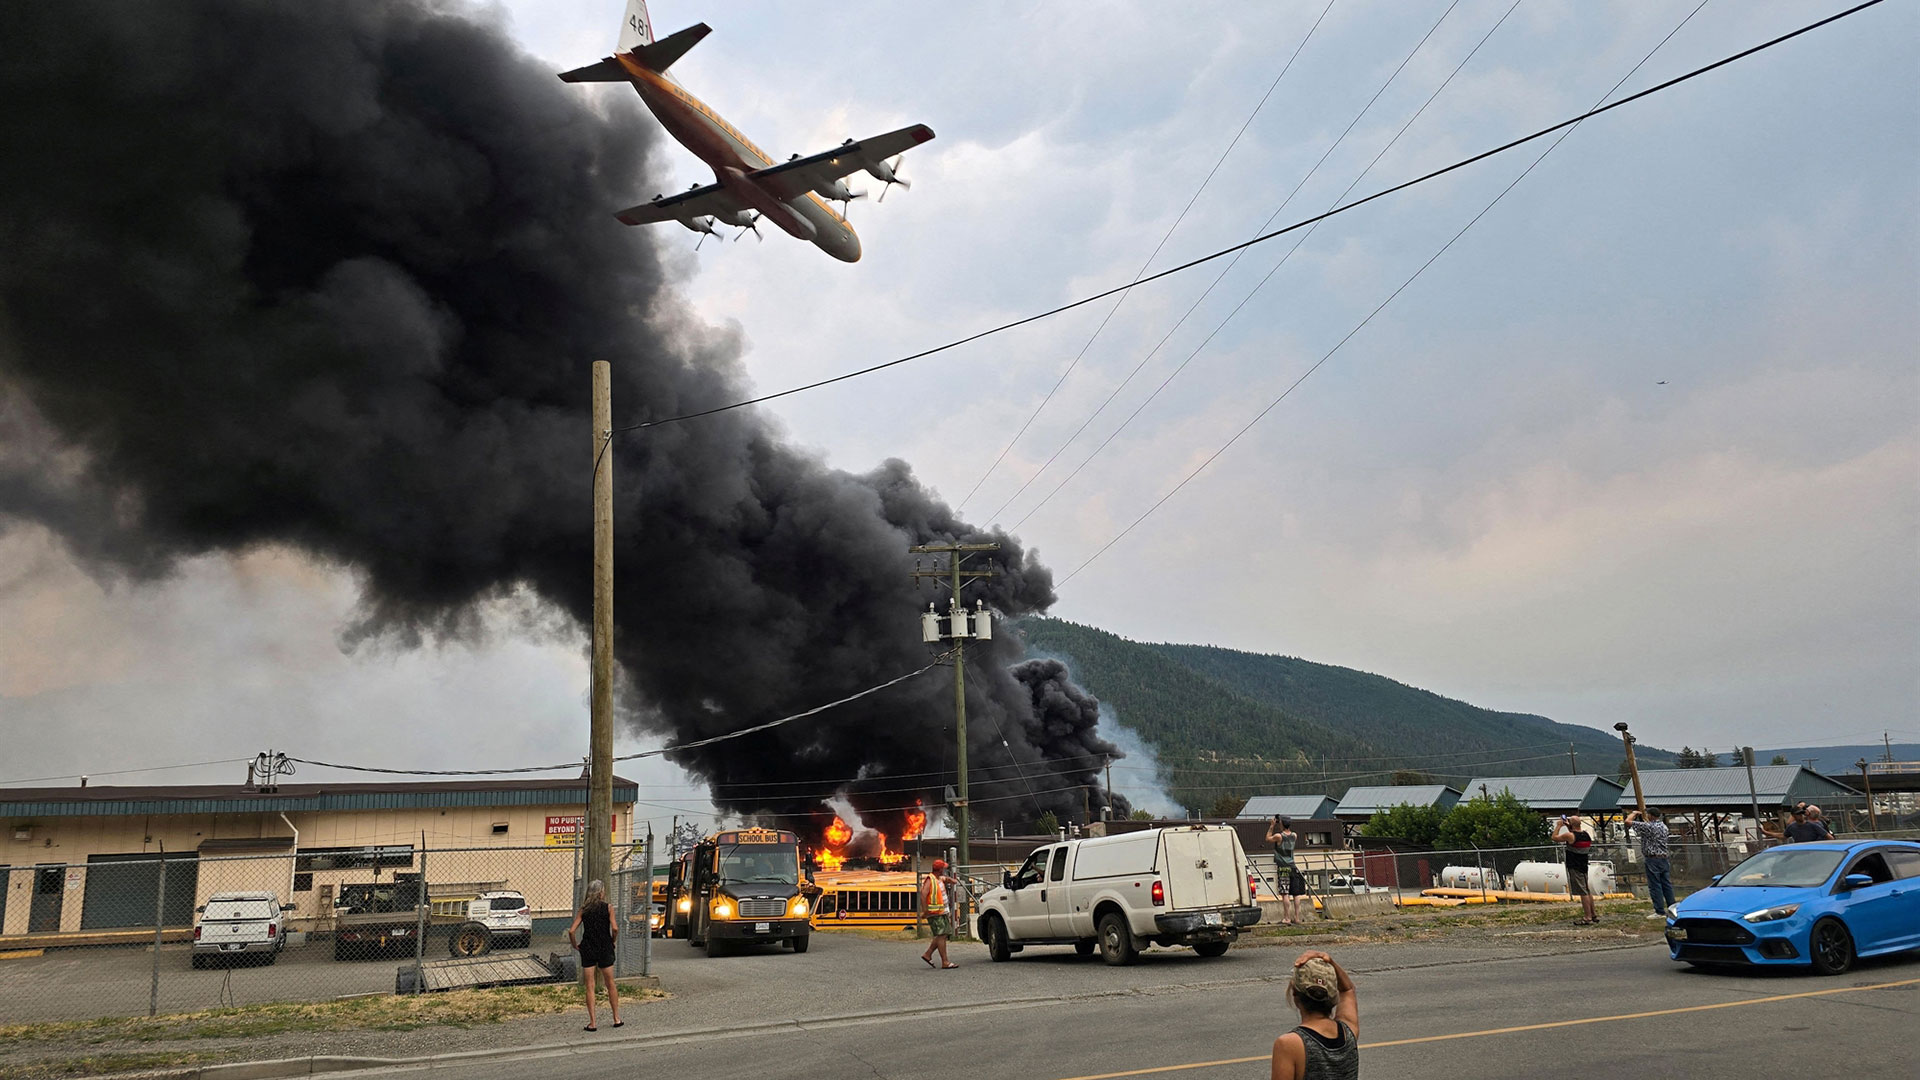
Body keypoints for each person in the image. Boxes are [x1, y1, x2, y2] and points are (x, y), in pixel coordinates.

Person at [1270, 950, 1358, 1080]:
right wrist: (1329, 961)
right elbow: (1348, 989)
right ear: (1333, 996)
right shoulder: (1348, 1031)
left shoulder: (1289, 1045)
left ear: (1295, 994)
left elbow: (1347, 990)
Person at [566, 879, 621, 1031]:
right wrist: (613, 941)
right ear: (601, 892)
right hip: (604, 946)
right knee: (610, 983)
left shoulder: (584, 909)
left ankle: (593, 1022)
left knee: (590, 985)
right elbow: (615, 928)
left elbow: (571, 930)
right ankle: (616, 1018)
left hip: (588, 947)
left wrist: (574, 944)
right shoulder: (608, 908)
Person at [1624, 807, 1674, 919]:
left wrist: (1634, 813)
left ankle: (1659, 911)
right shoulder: (1664, 827)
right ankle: (1672, 908)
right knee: (1666, 885)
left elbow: (1627, 822)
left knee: (1655, 885)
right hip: (1664, 857)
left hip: (1652, 859)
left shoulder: (1649, 826)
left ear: (1650, 815)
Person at [1553, 813, 1598, 925]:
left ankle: (1587, 917)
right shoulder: (1586, 835)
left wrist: (1559, 826)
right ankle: (1593, 914)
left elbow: (1554, 838)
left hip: (1574, 866)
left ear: (1572, 824)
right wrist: (1570, 826)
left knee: (1583, 892)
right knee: (1587, 890)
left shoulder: (1569, 835)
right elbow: (1575, 835)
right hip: (1583, 865)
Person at [1264, 816, 1307, 925]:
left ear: (1282, 824)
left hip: (1283, 866)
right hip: (1293, 865)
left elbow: (1268, 838)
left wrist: (1271, 826)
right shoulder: (1294, 835)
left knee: (1285, 893)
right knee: (1296, 894)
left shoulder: (1279, 836)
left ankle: (1287, 917)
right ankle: (1297, 917)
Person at [918, 858, 958, 969]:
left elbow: (946, 879)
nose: (944, 870)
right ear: (940, 870)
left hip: (941, 911)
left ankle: (928, 954)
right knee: (941, 935)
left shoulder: (938, 878)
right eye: (943, 868)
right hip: (934, 912)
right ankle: (945, 961)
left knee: (943, 934)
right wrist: (925, 910)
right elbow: (923, 894)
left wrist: (952, 880)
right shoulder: (930, 880)